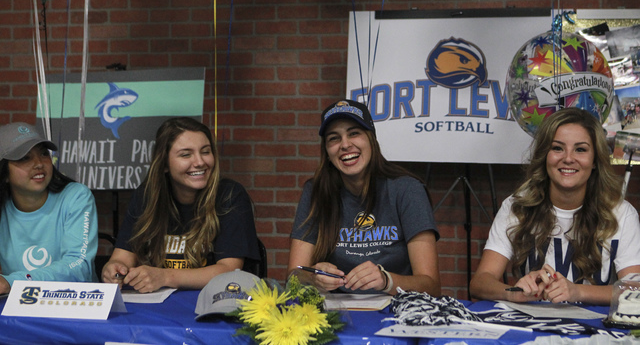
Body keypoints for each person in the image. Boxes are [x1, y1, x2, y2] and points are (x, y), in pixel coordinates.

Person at [470, 107, 640, 305]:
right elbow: (480, 283)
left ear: (595, 160)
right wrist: (513, 292)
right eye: (557, 148)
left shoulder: (621, 214)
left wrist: (578, 292)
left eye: (581, 149)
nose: (568, 158)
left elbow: (634, 290)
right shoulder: (518, 206)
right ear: (545, 155)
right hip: (535, 327)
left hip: (598, 330)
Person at [288, 99, 441, 295]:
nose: (345, 145)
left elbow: (432, 286)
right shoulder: (315, 192)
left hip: (397, 311)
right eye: (334, 138)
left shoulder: (407, 190)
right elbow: (293, 276)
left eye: (354, 133)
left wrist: (387, 281)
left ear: (371, 139)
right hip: (336, 313)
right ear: (326, 151)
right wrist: (313, 277)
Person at [102, 117, 260, 293]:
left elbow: (229, 270)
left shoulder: (230, 195)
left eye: (205, 152)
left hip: (211, 304)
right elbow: (122, 257)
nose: (200, 162)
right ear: (164, 164)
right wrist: (114, 269)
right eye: (186, 154)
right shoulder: (147, 195)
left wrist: (164, 277)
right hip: (157, 304)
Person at [0, 122, 98, 293]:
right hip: (21, 306)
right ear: (4, 173)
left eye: (44, 154)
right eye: (25, 157)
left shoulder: (76, 196)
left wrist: (12, 281)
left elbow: (80, 266)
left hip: (75, 304)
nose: (39, 163)